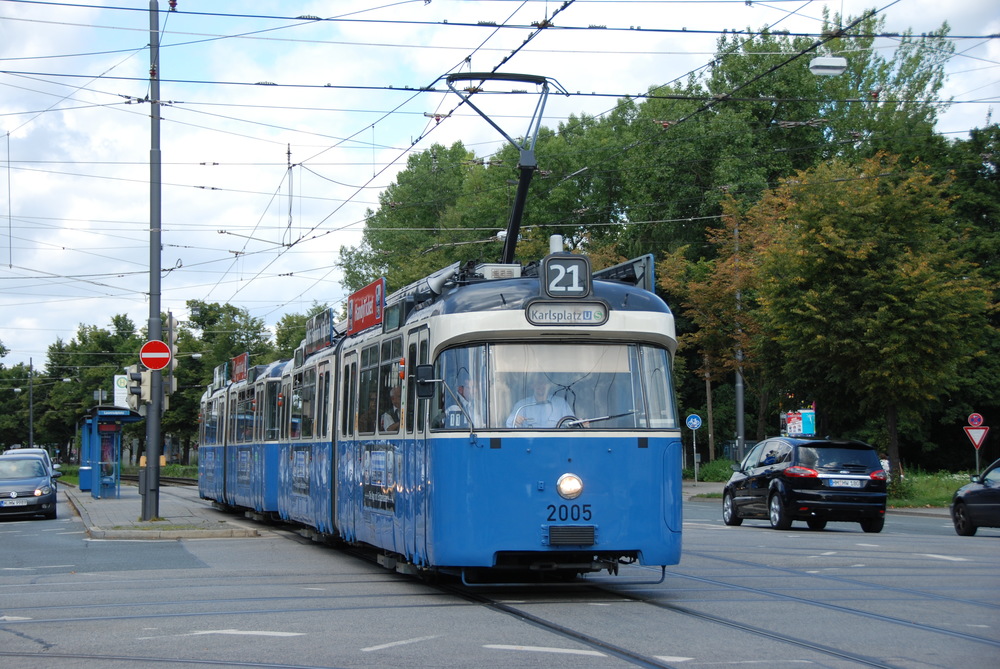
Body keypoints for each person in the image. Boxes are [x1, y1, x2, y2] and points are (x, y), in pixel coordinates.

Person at [506, 375, 574, 428]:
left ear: (549, 385)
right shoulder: (522, 405)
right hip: (530, 443)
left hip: (557, 443)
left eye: (544, 383)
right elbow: (509, 424)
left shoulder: (561, 403)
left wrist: (581, 424)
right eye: (538, 383)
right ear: (532, 385)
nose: (541, 386)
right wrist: (515, 420)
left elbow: (572, 423)